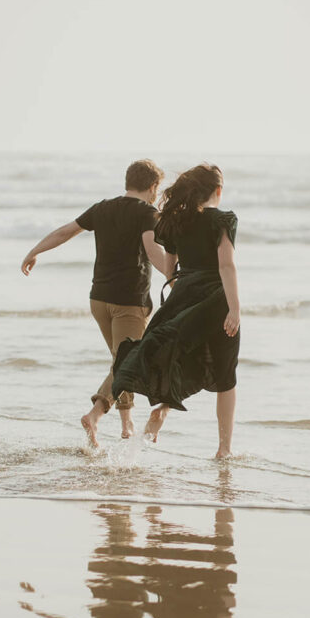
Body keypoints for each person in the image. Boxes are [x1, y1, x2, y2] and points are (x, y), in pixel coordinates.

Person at [21, 159, 168, 446]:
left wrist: (34, 250)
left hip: (99, 300)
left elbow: (65, 231)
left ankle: (126, 425)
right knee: (128, 363)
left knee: (120, 359)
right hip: (129, 302)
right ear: (152, 187)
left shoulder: (102, 207)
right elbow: (153, 250)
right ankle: (96, 414)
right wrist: (177, 277)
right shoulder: (147, 213)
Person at [112, 163, 240, 459]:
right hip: (217, 299)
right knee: (225, 375)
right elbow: (226, 266)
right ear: (218, 191)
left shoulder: (174, 221)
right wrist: (234, 308)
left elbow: (170, 271)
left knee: (184, 356)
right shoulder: (223, 219)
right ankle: (224, 449)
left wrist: (182, 304)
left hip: (183, 294)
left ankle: (164, 408)